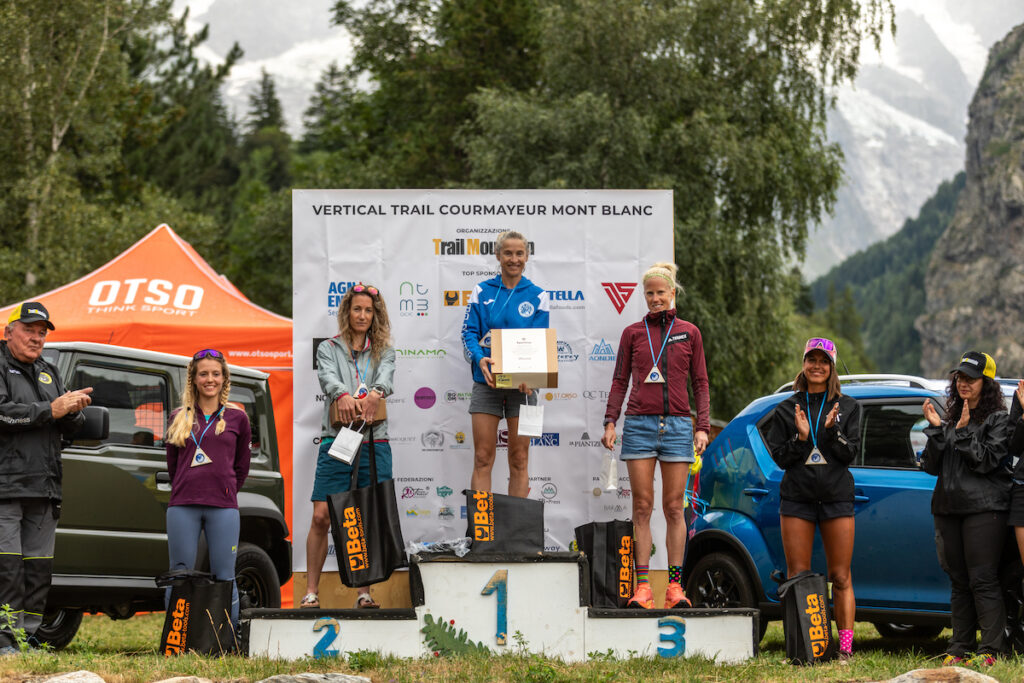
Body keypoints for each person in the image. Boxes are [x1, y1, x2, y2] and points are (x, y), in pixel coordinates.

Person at [601, 262, 710, 610]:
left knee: (674, 507)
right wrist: (610, 421)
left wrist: (703, 426)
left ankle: (675, 588)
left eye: (661, 292)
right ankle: (644, 586)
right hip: (639, 425)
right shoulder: (633, 333)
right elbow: (620, 380)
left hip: (678, 425)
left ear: (672, 293)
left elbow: (700, 383)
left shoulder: (689, 332)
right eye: (649, 293)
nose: (655, 298)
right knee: (643, 507)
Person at [0, 302, 91, 654]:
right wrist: (49, 410)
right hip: (6, 487)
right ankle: (3, 639)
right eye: (29, 330)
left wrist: (74, 411)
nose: (36, 338)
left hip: (45, 487)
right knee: (7, 569)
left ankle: (26, 638)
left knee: (38, 572)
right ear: (9, 331)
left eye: (42, 332)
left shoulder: (49, 370)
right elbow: (4, 414)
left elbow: (67, 424)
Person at [763, 337, 861, 661]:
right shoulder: (785, 408)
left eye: (823, 361)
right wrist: (800, 438)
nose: (817, 366)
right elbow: (781, 458)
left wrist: (832, 431)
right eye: (811, 359)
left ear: (832, 367)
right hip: (797, 500)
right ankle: (801, 647)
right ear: (803, 364)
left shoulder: (848, 407)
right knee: (797, 576)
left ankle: (845, 649)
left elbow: (849, 454)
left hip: (836, 498)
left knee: (841, 576)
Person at [303, 284, 395, 609]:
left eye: (368, 311)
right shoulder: (329, 348)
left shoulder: (384, 349)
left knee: (364, 514)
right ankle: (311, 592)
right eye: (357, 309)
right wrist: (342, 393)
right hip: (338, 437)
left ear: (375, 315)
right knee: (321, 515)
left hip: (374, 440)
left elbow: (387, 376)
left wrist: (376, 392)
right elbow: (327, 377)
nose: (362, 315)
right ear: (347, 312)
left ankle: (363, 593)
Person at [921, 351, 1010, 667]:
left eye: (970, 378)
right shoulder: (949, 418)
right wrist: (936, 430)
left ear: (986, 384)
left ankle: (992, 650)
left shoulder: (999, 419)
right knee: (958, 581)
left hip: (985, 510)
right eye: (959, 377)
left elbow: (986, 461)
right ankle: (959, 647)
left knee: (983, 579)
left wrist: (961, 431)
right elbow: (931, 466)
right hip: (947, 508)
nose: (963, 383)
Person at [164, 349, 251, 630]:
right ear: (194, 378)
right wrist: (188, 488)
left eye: (216, 373)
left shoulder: (238, 419)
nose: (209, 379)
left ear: (224, 378)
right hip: (183, 506)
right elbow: (173, 465)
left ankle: (229, 636)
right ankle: (177, 640)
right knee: (179, 574)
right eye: (204, 374)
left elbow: (241, 467)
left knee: (225, 575)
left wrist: (224, 490)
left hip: (223, 508)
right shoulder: (178, 417)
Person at [462, 230, 549, 497]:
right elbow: (468, 334)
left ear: (527, 256)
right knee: (483, 458)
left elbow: (539, 343)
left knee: (519, 460)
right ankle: (481, 532)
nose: (514, 259)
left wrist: (532, 377)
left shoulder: (537, 295)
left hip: (522, 388)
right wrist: (480, 359)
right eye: (508, 253)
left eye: (519, 253)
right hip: (486, 383)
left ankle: (515, 535)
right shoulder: (482, 290)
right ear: (498, 256)